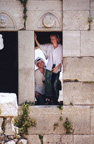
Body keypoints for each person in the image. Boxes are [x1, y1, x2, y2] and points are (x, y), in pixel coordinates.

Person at [35, 33, 63, 104]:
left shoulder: (61, 47)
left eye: (53, 39)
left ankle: (55, 99)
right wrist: (35, 40)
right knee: (48, 83)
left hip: (57, 68)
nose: (52, 40)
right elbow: (40, 46)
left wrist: (57, 68)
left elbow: (61, 59)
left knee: (55, 84)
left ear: (57, 39)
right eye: (51, 39)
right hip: (49, 67)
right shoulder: (49, 46)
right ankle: (48, 99)